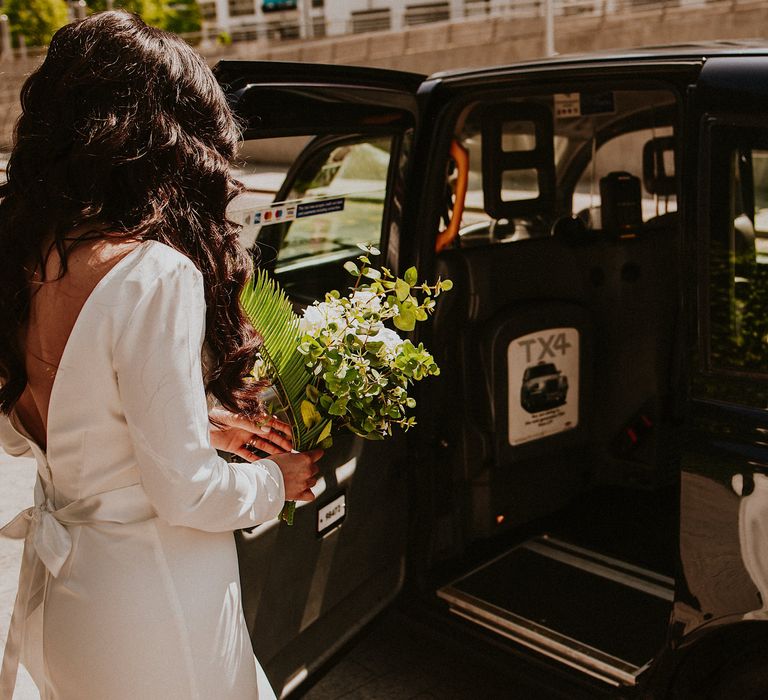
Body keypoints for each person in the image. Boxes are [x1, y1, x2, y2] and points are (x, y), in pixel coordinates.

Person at [0, 10, 323, 700]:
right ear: (167, 139)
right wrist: (281, 481)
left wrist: (200, 421)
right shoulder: (153, 272)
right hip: (159, 606)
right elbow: (190, 493)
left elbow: (70, 416)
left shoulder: (20, 263)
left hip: (71, 602)